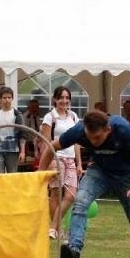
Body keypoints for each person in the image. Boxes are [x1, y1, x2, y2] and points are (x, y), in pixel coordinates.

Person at [37, 108, 130, 258]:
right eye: (90, 138)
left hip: (127, 176)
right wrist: (40, 176)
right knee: (80, 201)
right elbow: (51, 147)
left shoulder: (123, 129)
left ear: (108, 130)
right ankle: (74, 252)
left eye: (98, 137)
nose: (94, 142)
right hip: (99, 171)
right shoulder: (79, 130)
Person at [41, 88, 81, 240]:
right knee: (56, 194)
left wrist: (79, 163)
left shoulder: (73, 116)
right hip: (56, 158)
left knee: (71, 195)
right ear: (55, 99)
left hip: (70, 159)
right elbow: (45, 142)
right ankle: (56, 231)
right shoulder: (49, 117)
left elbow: (77, 141)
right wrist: (49, 161)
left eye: (67, 97)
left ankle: (53, 228)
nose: (64, 101)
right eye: (61, 98)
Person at [0, 86, 23, 174]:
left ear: (12, 99)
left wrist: (23, 152)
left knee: (12, 175)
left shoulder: (17, 115)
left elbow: (22, 134)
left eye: (9, 97)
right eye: (4, 97)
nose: (7, 100)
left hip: (13, 150)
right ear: (0, 99)